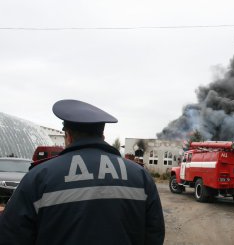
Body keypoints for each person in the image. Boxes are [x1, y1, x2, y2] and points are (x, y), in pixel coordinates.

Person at [0, 99, 165, 245]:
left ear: (68, 136)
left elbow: (11, 235)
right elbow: (154, 233)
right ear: (102, 135)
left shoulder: (39, 177)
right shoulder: (140, 175)